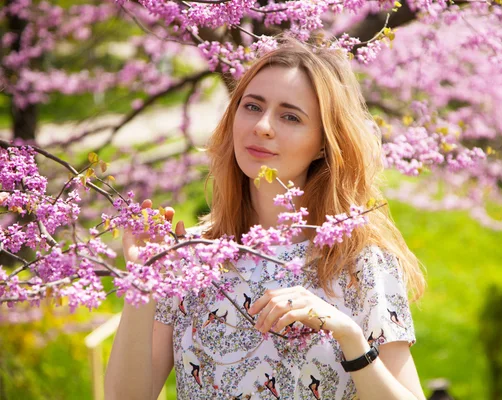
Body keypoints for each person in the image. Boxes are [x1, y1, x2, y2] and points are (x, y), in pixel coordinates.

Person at [105, 35, 427, 400]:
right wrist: (142, 284)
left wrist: (348, 335)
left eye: (290, 116)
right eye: (253, 107)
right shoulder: (190, 260)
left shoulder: (359, 260)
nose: (263, 126)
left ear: (324, 141)